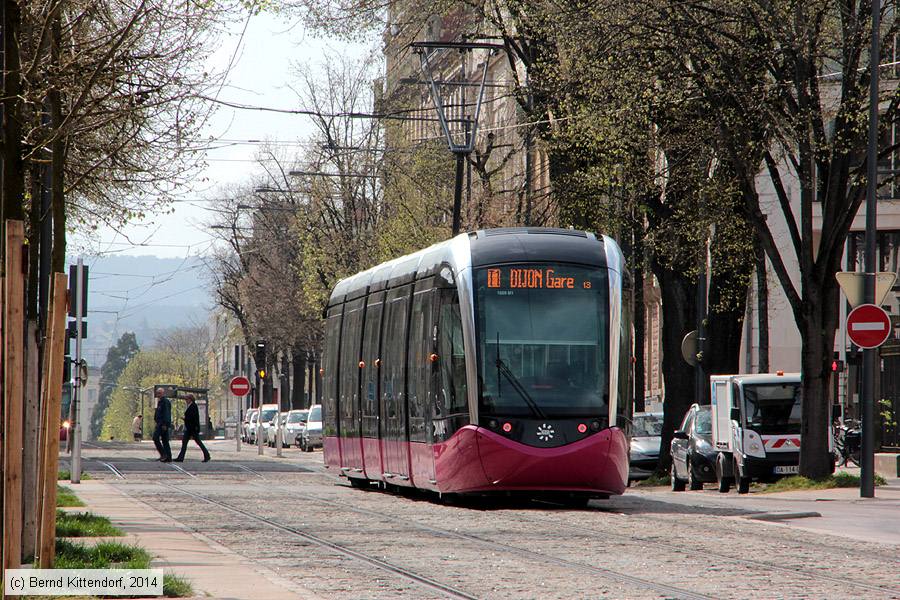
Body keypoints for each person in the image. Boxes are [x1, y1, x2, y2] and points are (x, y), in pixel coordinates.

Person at [174, 394, 210, 463]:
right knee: (184, 442)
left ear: (190, 399)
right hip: (189, 428)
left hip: (192, 428)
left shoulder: (193, 406)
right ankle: (180, 457)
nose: (186, 401)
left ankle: (207, 455)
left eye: (186, 399)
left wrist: (185, 418)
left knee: (198, 442)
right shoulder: (190, 406)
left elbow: (193, 417)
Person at [152, 388, 172, 462]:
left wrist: (164, 424)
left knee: (155, 437)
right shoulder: (160, 402)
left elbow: (166, 413)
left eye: (160, 393)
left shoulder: (165, 402)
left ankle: (164, 454)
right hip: (160, 423)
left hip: (162, 424)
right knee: (165, 440)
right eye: (157, 393)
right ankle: (168, 457)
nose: (158, 394)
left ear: (163, 393)